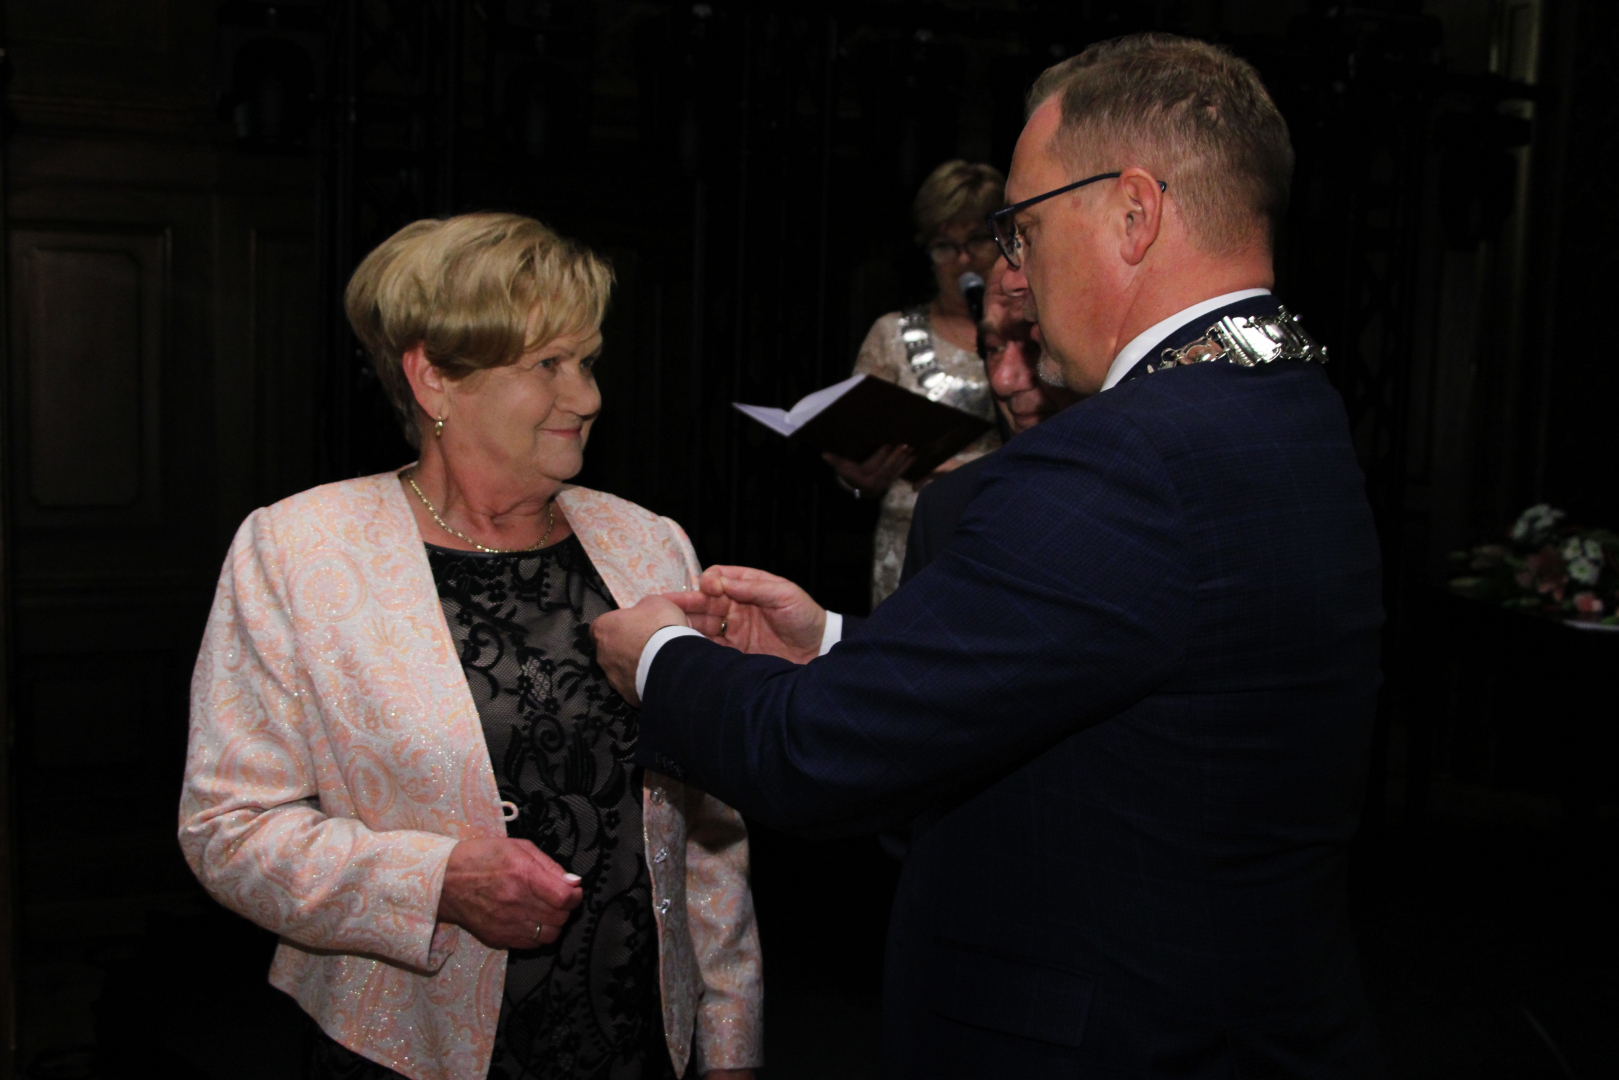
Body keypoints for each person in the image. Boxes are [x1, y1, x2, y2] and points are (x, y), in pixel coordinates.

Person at [593, 33, 1386, 1079]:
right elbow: (1104, 668)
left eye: (1023, 225)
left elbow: (816, 756)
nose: (1009, 269)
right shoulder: (1284, 398)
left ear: (1133, 212)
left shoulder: (1123, 455)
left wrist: (659, 659)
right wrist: (833, 646)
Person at [179, 213, 761, 1080]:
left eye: (588, 361)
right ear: (433, 378)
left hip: (637, 1043)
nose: (587, 397)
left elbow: (706, 823)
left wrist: (729, 1039)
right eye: (548, 364)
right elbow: (228, 830)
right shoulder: (299, 550)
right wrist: (435, 882)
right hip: (403, 1048)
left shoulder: (648, 545)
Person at [828, 159, 1006, 608]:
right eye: (945, 246)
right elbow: (854, 449)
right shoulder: (891, 334)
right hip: (909, 539)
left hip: (999, 529)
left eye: (977, 240)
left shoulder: (1030, 330)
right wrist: (857, 478)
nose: (963, 259)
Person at [899, 256, 1082, 584]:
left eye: (1033, 344)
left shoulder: (1147, 491)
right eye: (994, 348)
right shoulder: (945, 510)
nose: (1003, 380)